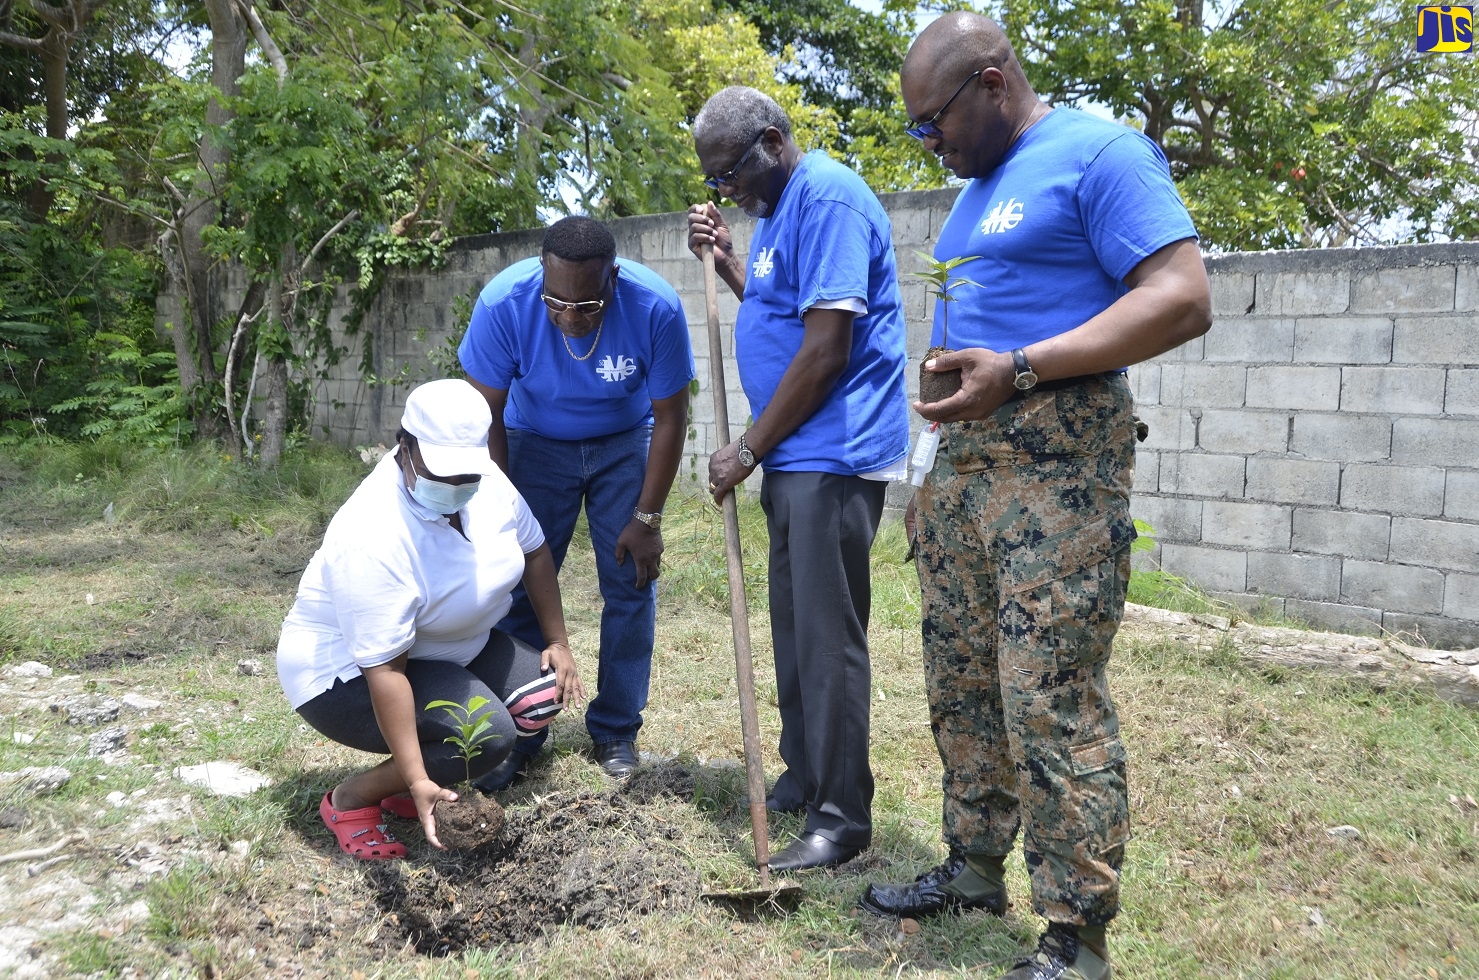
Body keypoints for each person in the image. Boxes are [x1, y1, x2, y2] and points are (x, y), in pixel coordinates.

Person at [855, 13, 1212, 980]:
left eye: (933, 123)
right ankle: (973, 866)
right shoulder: (978, 192)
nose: (927, 144)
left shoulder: (1099, 153)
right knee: (962, 681)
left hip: (1056, 474)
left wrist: (1017, 367)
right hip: (965, 474)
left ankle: (1076, 932)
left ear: (991, 83)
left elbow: (1182, 295)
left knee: (1047, 697)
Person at [686, 87, 911, 872]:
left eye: (730, 175)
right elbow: (783, 312)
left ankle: (841, 818)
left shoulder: (830, 198)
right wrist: (729, 265)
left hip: (831, 452)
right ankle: (804, 773)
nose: (727, 192)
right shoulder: (779, 215)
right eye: (715, 183)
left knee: (826, 642)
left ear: (773, 142)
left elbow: (825, 351)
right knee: (792, 628)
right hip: (794, 456)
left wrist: (744, 449)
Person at [276, 379, 584, 860]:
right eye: (445, 474)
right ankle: (353, 799)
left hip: (437, 646)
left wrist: (557, 640)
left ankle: (412, 779)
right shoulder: (372, 535)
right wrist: (419, 775)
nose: (457, 487)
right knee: (485, 734)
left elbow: (535, 550)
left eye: (467, 477)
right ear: (405, 447)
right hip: (348, 673)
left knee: (541, 696)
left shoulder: (488, 481)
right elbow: (386, 672)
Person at [458, 216, 695, 786]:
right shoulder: (504, 304)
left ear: (612, 280)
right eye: (556, 302)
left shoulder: (655, 308)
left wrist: (648, 517)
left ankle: (615, 729)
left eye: (586, 306)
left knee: (631, 584)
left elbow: (671, 416)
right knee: (516, 586)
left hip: (624, 444)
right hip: (532, 443)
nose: (569, 317)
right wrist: (500, 506)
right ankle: (522, 727)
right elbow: (484, 413)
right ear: (540, 275)